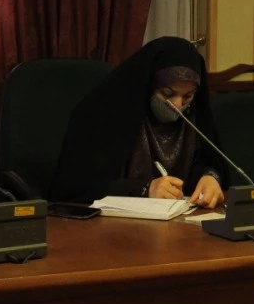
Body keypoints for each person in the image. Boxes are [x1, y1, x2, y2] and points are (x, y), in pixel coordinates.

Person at [49, 37, 230, 206]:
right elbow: (76, 186)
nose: (177, 105)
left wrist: (209, 177)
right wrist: (144, 189)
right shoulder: (105, 112)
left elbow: (205, 161)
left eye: (187, 96)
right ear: (148, 84)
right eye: (167, 94)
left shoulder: (192, 115)